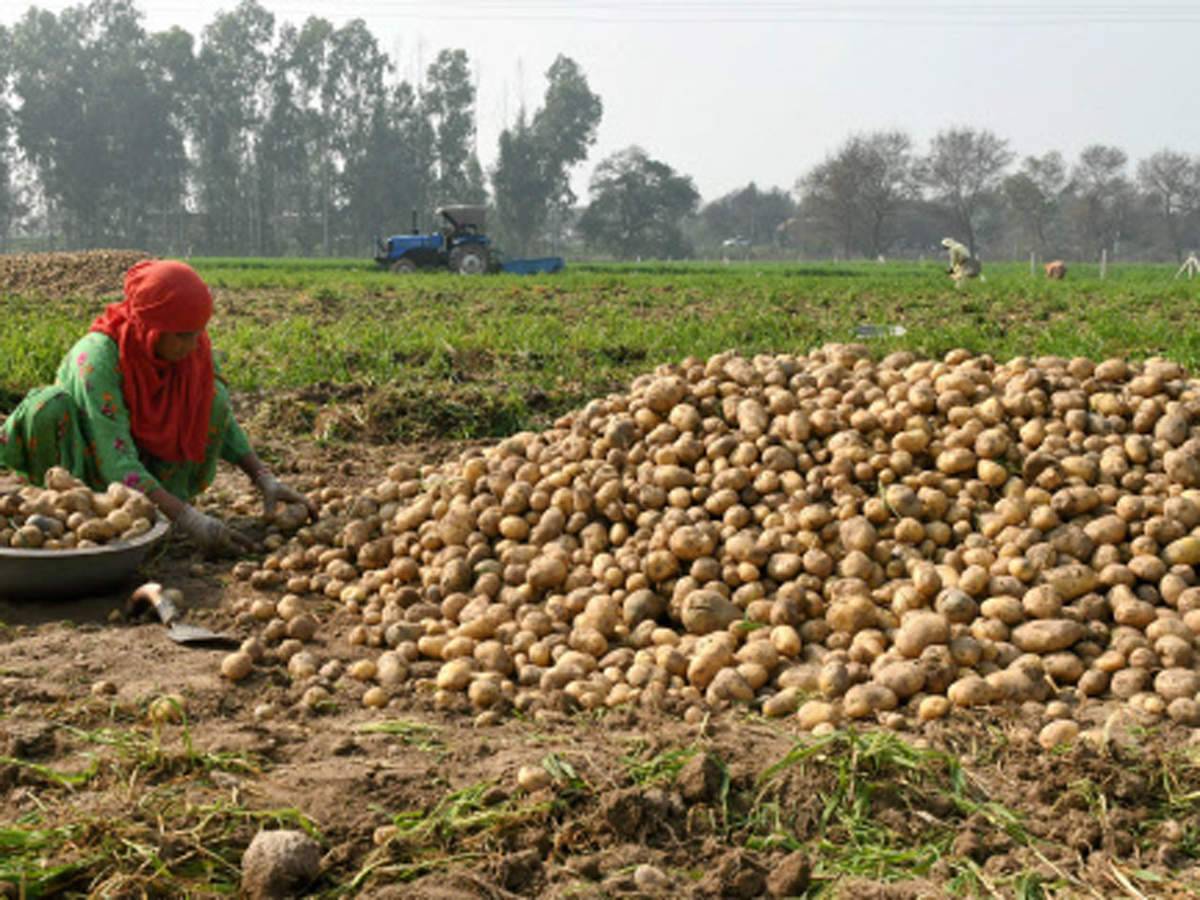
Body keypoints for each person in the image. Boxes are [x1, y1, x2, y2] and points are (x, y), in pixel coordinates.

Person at [0, 259, 315, 555]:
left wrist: (264, 478)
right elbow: (115, 458)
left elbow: (222, 421)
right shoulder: (97, 360)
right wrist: (189, 520)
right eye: (183, 336)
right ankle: (68, 512)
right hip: (86, 457)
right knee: (49, 406)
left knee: (211, 393)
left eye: (198, 334)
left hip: (140, 460)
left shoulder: (189, 348)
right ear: (152, 329)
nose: (193, 345)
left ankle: (165, 503)